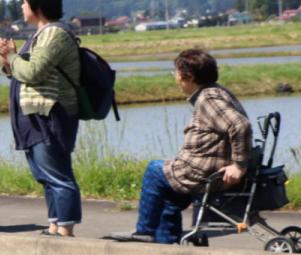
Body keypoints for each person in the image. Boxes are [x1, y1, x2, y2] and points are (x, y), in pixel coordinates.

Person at [106, 49, 252, 244]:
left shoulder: (209, 99)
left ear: (188, 77)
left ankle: (144, 230)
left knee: (154, 170)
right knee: (169, 197)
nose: (175, 78)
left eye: (175, 73)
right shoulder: (217, 92)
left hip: (204, 172)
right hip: (207, 169)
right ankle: (166, 242)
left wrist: (239, 165)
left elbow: (240, 125)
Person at [0, 0, 82, 238]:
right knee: (44, 173)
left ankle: (65, 229)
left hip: (51, 113)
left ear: (37, 6)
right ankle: (55, 224)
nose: (22, 7)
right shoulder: (40, 34)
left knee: (57, 173)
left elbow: (33, 72)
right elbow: (21, 72)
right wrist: (7, 58)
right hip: (37, 114)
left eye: (24, 2)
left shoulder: (54, 34)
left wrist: (12, 56)